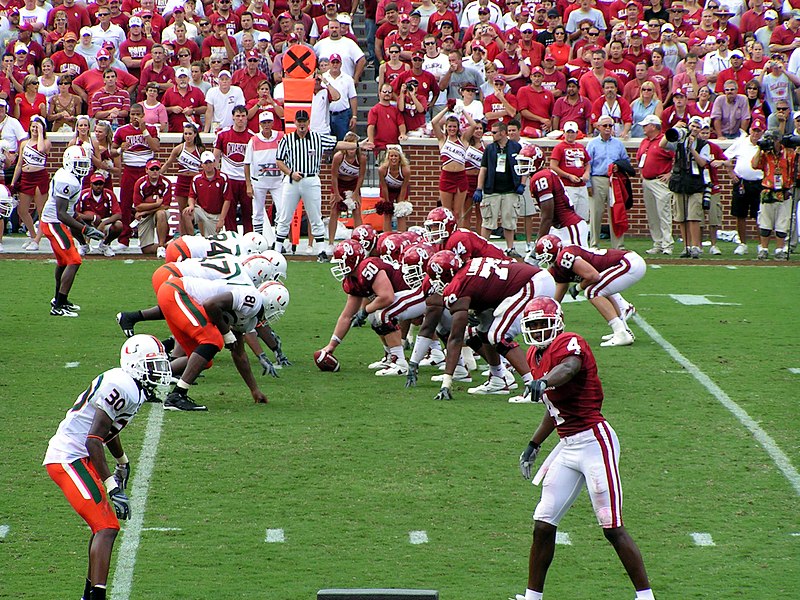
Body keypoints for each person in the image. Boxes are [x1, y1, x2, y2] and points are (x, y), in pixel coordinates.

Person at [512, 296, 655, 600]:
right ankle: (532, 597)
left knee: (611, 524)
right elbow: (554, 409)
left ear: (557, 322)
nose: (537, 331)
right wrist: (534, 443)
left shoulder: (570, 342)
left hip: (594, 441)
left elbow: (569, 368)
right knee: (543, 522)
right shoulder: (535, 355)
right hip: (567, 446)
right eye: (533, 325)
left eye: (542, 324)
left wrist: (546, 381)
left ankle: (646, 597)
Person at [43, 335, 171, 600]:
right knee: (106, 527)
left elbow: (108, 431)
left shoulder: (131, 386)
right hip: (68, 458)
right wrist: (112, 487)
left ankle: (89, 595)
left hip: (80, 457)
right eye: (153, 365)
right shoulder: (122, 385)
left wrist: (122, 461)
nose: (159, 372)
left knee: (104, 526)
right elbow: (93, 439)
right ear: (135, 364)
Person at [425, 250, 556, 400]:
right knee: (484, 331)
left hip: (532, 282)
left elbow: (455, 337)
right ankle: (497, 380)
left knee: (498, 335)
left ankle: (533, 386)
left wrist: (446, 383)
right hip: (533, 280)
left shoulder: (458, 286)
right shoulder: (466, 272)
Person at [274, 109, 373, 261]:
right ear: (295, 123)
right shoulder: (286, 140)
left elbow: (337, 144)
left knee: (315, 215)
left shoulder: (317, 138)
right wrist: (290, 172)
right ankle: (277, 248)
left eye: (304, 121)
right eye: (299, 121)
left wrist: (358, 145)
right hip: (293, 180)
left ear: (308, 123)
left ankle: (320, 250)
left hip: (311, 179)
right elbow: (279, 160)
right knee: (284, 215)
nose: (301, 125)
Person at [535, 235, 642, 346]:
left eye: (547, 257)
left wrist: (578, 288)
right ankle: (623, 330)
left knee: (592, 292)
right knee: (601, 291)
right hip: (628, 262)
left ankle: (621, 333)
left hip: (628, 263)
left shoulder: (565, 256)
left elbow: (593, 276)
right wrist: (551, 311)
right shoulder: (559, 266)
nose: (546, 261)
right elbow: (561, 289)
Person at [40, 145, 104, 317]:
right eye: (79, 164)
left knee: (63, 262)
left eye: (85, 163)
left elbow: (69, 211)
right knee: (74, 261)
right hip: (53, 223)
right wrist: (85, 229)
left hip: (56, 222)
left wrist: (84, 225)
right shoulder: (67, 180)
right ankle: (58, 305)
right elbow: (61, 214)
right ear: (69, 162)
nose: (82, 167)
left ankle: (58, 299)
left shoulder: (72, 177)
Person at [661, 114, 711, 259]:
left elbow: (703, 163)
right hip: (680, 182)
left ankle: (696, 246)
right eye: (692, 126)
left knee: (693, 217)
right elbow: (662, 145)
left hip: (695, 183)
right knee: (681, 217)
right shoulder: (679, 140)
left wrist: (692, 149)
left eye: (697, 127)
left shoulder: (703, 144)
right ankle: (686, 246)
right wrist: (674, 128)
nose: (694, 129)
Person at [111, 104, 160, 251]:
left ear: (143, 115)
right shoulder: (122, 130)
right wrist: (120, 149)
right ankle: (124, 239)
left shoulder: (151, 129)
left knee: (150, 203)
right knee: (125, 204)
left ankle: (150, 238)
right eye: (132, 114)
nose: (135, 117)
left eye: (138, 114)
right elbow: (112, 152)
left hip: (147, 171)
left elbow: (156, 147)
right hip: (129, 170)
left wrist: (144, 130)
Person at [474, 121, 524, 257]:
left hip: (510, 190)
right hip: (492, 190)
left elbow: (523, 167)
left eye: (494, 132)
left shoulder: (516, 147)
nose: (492, 135)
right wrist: (479, 188)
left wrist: (522, 184)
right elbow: (483, 169)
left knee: (509, 221)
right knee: (488, 221)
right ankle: (483, 248)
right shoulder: (489, 149)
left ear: (503, 133)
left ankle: (510, 248)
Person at [586, 115, 630, 249]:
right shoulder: (592, 144)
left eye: (610, 126)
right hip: (597, 179)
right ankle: (594, 245)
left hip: (614, 181)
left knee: (616, 213)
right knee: (596, 214)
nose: (607, 128)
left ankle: (618, 246)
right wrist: (588, 184)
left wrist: (619, 166)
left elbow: (626, 161)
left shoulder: (618, 144)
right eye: (604, 125)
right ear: (598, 127)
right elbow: (587, 165)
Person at [750, 129, 795, 260]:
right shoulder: (765, 154)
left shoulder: (788, 153)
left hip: (784, 191)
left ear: (778, 140)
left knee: (782, 221)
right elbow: (754, 165)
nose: (769, 142)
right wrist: (760, 149)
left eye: (771, 139)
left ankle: (779, 249)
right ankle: (763, 249)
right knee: (765, 221)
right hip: (768, 190)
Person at [723, 117, 765, 255]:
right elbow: (725, 157)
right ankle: (742, 244)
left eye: (759, 131)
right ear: (750, 130)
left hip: (759, 183)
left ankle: (761, 245)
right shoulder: (741, 142)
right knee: (740, 214)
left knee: (759, 215)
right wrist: (731, 173)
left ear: (763, 132)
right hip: (741, 182)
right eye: (754, 130)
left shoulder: (765, 144)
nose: (755, 134)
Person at [635, 115, 675, 255]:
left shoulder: (665, 141)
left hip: (660, 181)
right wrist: (642, 174)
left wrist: (670, 174)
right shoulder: (644, 141)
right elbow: (639, 159)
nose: (643, 128)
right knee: (652, 215)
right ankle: (657, 243)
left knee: (663, 213)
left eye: (645, 125)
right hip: (647, 181)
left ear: (653, 126)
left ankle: (667, 244)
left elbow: (676, 157)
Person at [11, 115, 50, 252]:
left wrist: (40, 132)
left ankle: (38, 240)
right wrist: (13, 182)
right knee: (22, 210)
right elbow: (19, 163)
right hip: (26, 177)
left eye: (37, 126)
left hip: (39, 177)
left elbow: (40, 149)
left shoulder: (45, 142)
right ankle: (33, 235)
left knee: (41, 211)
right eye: (33, 126)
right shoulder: (24, 143)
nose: (34, 129)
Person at [214, 104, 255, 233]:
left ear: (247, 118)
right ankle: (232, 238)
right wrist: (218, 176)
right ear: (233, 117)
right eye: (238, 116)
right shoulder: (223, 134)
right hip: (229, 178)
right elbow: (216, 157)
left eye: (243, 116)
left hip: (245, 180)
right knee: (229, 212)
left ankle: (249, 238)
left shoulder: (252, 137)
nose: (240, 119)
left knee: (248, 212)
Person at [245, 111, 285, 239]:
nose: (266, 125)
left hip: (278, 181)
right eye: (264, 123)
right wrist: (248, 185)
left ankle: (279, 240)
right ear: (260, 124)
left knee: (282, 210)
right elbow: (247, 164)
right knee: (257, 212)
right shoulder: (254, 140)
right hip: (259, 181)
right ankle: (258, 240)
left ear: (273, 123)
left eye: (268, 122)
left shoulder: (281, 137)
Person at [431, 105, 475, 221]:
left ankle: (457, 236)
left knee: (457, 212)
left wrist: (463, 111)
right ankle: (448, 237)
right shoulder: (442, 139)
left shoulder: (463, 140)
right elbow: (434, 122)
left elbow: (474, 125)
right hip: (447, 176)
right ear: (445, 127)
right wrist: (447, 108)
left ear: (458, 128)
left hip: (461, 176)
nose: (452, 129)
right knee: (447, 212)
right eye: (449, 126)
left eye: (454, 127)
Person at [161, 122, 204, 235]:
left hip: (195, 182)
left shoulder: (200, 149)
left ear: (195, 134)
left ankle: (203, 237)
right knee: (182, 211)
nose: (188, 136)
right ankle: (183, 236)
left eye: (190, 133)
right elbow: (168, 164)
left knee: (200, 211)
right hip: (182, 181)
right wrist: (158, 174)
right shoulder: (178, 148)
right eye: (185, 134)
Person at [328, 130, 365, 249]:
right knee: (334, 211)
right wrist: (336, 194)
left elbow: (361, 176)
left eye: (353, 145)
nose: (351, 149)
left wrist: (356, 193)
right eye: (348, 145)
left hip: (353, 184)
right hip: (339, 183)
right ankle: (330, 242)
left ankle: (359, 241)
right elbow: (334, 176)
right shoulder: (338, 157)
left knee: (357, 211)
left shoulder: (361, 158)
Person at [549, 121, 591, 221]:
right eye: (568, 132)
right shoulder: (559, 147)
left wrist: (586, 173)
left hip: (581, 186)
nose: (570, 135)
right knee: (569, 215)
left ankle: (581, 235)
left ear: (577, 133)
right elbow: (553, 166)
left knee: (583, 216)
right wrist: (568, 176)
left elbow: (587, 163)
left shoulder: (580, 147)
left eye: (573, 132)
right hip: (567, 186)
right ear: (564, 133)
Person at [74, 173, 122, 256]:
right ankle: (83, 244)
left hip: (104, 220)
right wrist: (90, 217)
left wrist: (103, 223)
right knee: (73, 224)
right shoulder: (83, 194)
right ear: (91, 184)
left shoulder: (109, 194)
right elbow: (75, 212)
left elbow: (118, 214)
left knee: (118, 225)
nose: (98, 186)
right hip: (87, 222)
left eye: (100, 183)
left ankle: (105, 244)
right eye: (96, 184)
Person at [186, 151, 232, 235]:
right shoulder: (197, 178)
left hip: (216, 214)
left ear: (214, 162)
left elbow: (227, 200)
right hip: (202, 211)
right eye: (205, 163)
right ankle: (192, 239)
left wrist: (221, 219)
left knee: (212, 240)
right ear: (202, 164)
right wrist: (191, 205)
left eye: (210, 162)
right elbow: (191, 196)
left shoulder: (223, 178)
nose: (208, 165)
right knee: (186, 213)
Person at [132, 158, 171, 257]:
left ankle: (161, 246)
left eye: (157, 169)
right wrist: (156, 204)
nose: (155, 171)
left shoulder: (166, 183)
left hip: (153, 213)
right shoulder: (140, 183)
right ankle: (170, 246)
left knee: (161, 213)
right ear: (146, 170)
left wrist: (146, 211)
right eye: (152, 169)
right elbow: (138, 206)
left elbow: (165, 205)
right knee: (146, 249)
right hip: (145, 215)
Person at [377, 144, 411, 234]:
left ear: (400, 158)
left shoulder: (405, 170)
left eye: (396, 156)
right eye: (391, 156)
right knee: (387, 214)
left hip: (400, 190)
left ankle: (402, 236)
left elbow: (404, 188)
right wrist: (388, 203)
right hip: (387, 190)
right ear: (388, 157)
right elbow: (383, 186)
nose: (393, 158)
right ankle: (386, 236)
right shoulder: (382, 170)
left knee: (401, 213)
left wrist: (400, 204)